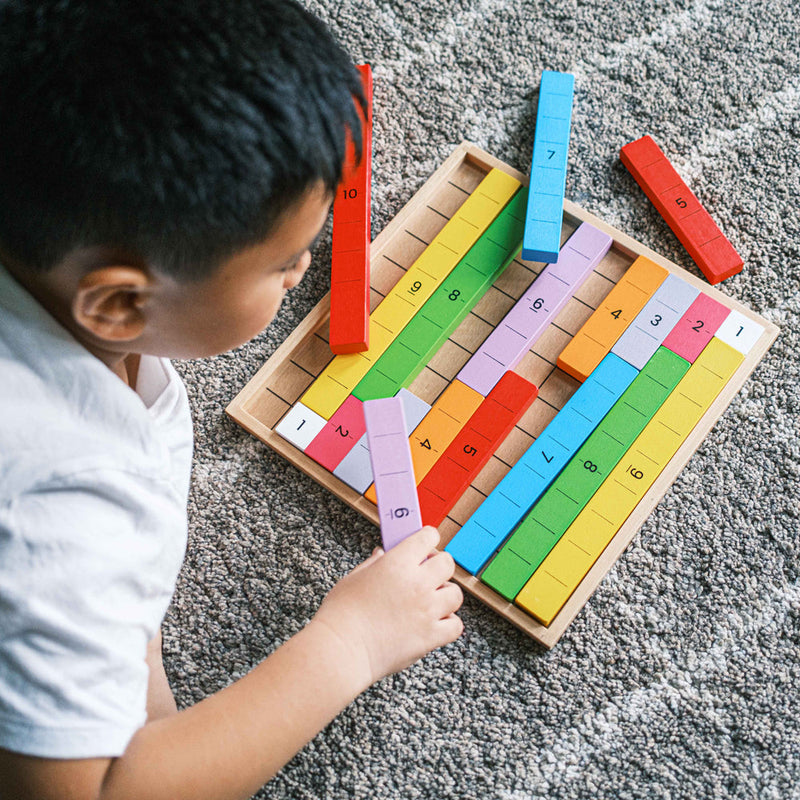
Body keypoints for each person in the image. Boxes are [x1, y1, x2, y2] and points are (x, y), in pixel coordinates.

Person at [0, 1, 464, 797]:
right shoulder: (64, 504)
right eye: (284, 263)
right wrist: (349, 644)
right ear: (118, 304)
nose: (303, 270)